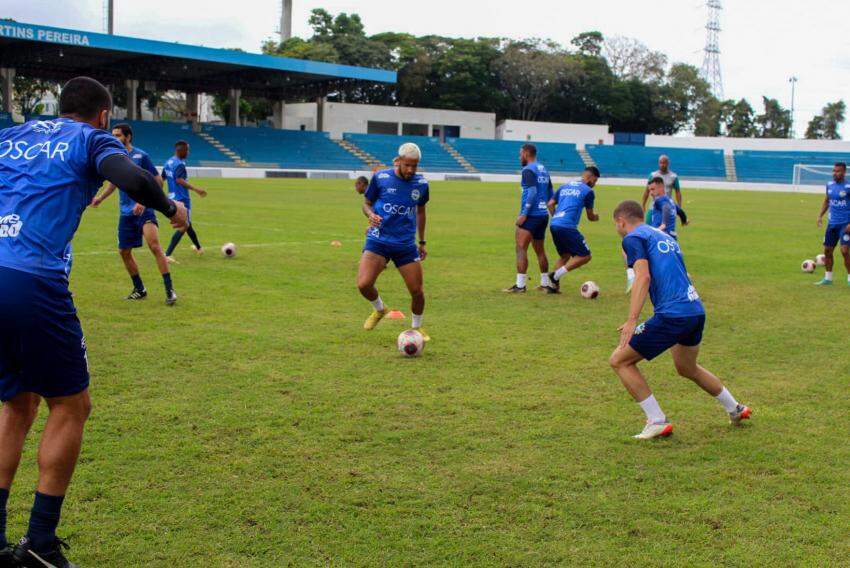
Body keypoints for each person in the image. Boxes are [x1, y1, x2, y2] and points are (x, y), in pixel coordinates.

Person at [0, 76, 187, 568]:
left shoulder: (14, 135)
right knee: (70, 405)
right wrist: (171, 207)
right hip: (31, 279)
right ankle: (39, 543)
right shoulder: (92, 138)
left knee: (17, 403)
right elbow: (131, 177)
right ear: (104, 115)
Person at [608, 200, 750, 440]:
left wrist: (632, 319)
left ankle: (656, 421)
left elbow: (642, 277)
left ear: (621, 221)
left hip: (673, 314)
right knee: (686, 367)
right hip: (694, 310)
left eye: (616, 225)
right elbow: (686, 274)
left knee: (619, 361)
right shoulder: (664, 236)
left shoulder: (632, 238)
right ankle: (735, 408)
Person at [91, 123, 177, 305]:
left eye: (118, 135)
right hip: (126, 212)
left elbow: (156, 181)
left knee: (154, 246)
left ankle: (170, 291)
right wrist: (100, 198)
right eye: (112, 135)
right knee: (124, 251)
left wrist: (142, 202)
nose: (114, 138)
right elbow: (114, 183)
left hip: (145, 210)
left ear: (128, 137)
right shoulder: (115, 157)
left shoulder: (141, 155)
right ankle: (139, 289)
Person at [357, 143, 430, 340]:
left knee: (417, 291)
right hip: (379, 239)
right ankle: (380, 309)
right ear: (398, 161)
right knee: (364, 284)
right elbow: (366, 204)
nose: (411, 170)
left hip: (405, 243)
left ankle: (417, 327)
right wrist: (370, 215)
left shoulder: (421, 184)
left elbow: (421, 211)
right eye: (407, 165)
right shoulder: (381, 178)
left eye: (415, 166)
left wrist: (422, 241)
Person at [504, 144, 554, 293]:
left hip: (531, 215)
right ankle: (545, 283)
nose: (519, 157)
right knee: (540, 250)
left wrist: (524, 213)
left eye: (520, 154)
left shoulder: (528, 170)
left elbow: (532, 192)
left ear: (526, 154)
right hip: (543, 215)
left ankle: (520, 285)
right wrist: (554, 214)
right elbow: (551, 192)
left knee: (520, 248)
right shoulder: (543, 169)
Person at [546, 167, 600, 293]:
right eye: (595, 181)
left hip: (554, 224)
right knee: (586, 256)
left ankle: (552, 287)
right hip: (567, 226)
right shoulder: (588, 191)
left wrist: (557, 218)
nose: (594, 184)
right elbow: (590, 217)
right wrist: (596, 217)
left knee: (565, 255)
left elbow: (550, 204)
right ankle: (555, 275)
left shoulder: (565, 186)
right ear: (590, 177)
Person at [162, 141, 207, 262]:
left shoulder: (168, 162)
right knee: (184, 226)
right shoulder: (180, 164)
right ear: (180, 150)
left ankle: (198, 248)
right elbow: (179, 180)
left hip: (172, 198)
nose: (188, 152)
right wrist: (196, 189)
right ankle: (167, 254)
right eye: (187, 150)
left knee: (187, 224)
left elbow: (162, 178)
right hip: (182, 199)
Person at [815, 162, 850, 286]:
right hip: (832, 224)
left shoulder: (848, 186)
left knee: (845, 251)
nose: (835, 173)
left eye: (838, 171)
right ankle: (828, 278)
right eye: (834, 171)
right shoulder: (829, 185)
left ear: (844, 172)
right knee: (828, 251)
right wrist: (820, 216)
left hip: (845, 225)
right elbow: (827, 200)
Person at [642, 154, 688, 226]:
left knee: (665, 229)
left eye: (664, 163)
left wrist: (679, 207)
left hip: (667, 206)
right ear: (658, 163)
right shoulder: (653, 175)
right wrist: (643, 204)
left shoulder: (673, 176)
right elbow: (647, 191)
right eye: (661, 162)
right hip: (654, 205)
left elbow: (678, 192)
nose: (662, 165)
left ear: (668, 163)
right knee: (647, 227)